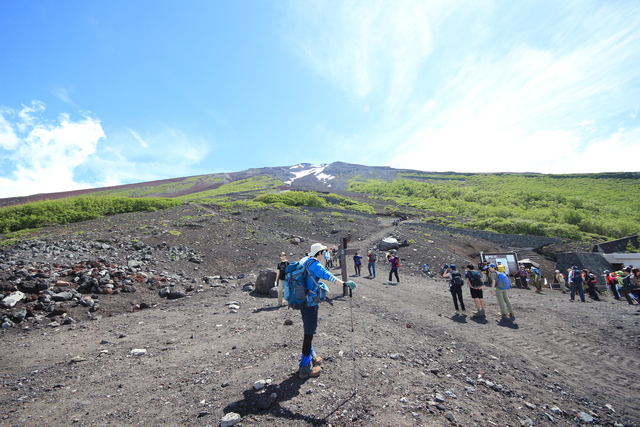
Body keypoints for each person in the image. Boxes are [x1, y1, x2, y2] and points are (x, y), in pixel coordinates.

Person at [297, 243, 356, 379]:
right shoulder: (315, 265)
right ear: (318, 253)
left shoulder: (304, 260)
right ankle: (305, 367)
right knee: (309, 333)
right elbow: (328, 276)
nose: (324, 255)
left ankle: (311, 357)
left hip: (301, 300)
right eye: (323, 252)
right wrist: (345, 284)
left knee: (308, 329)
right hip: (310, 303)